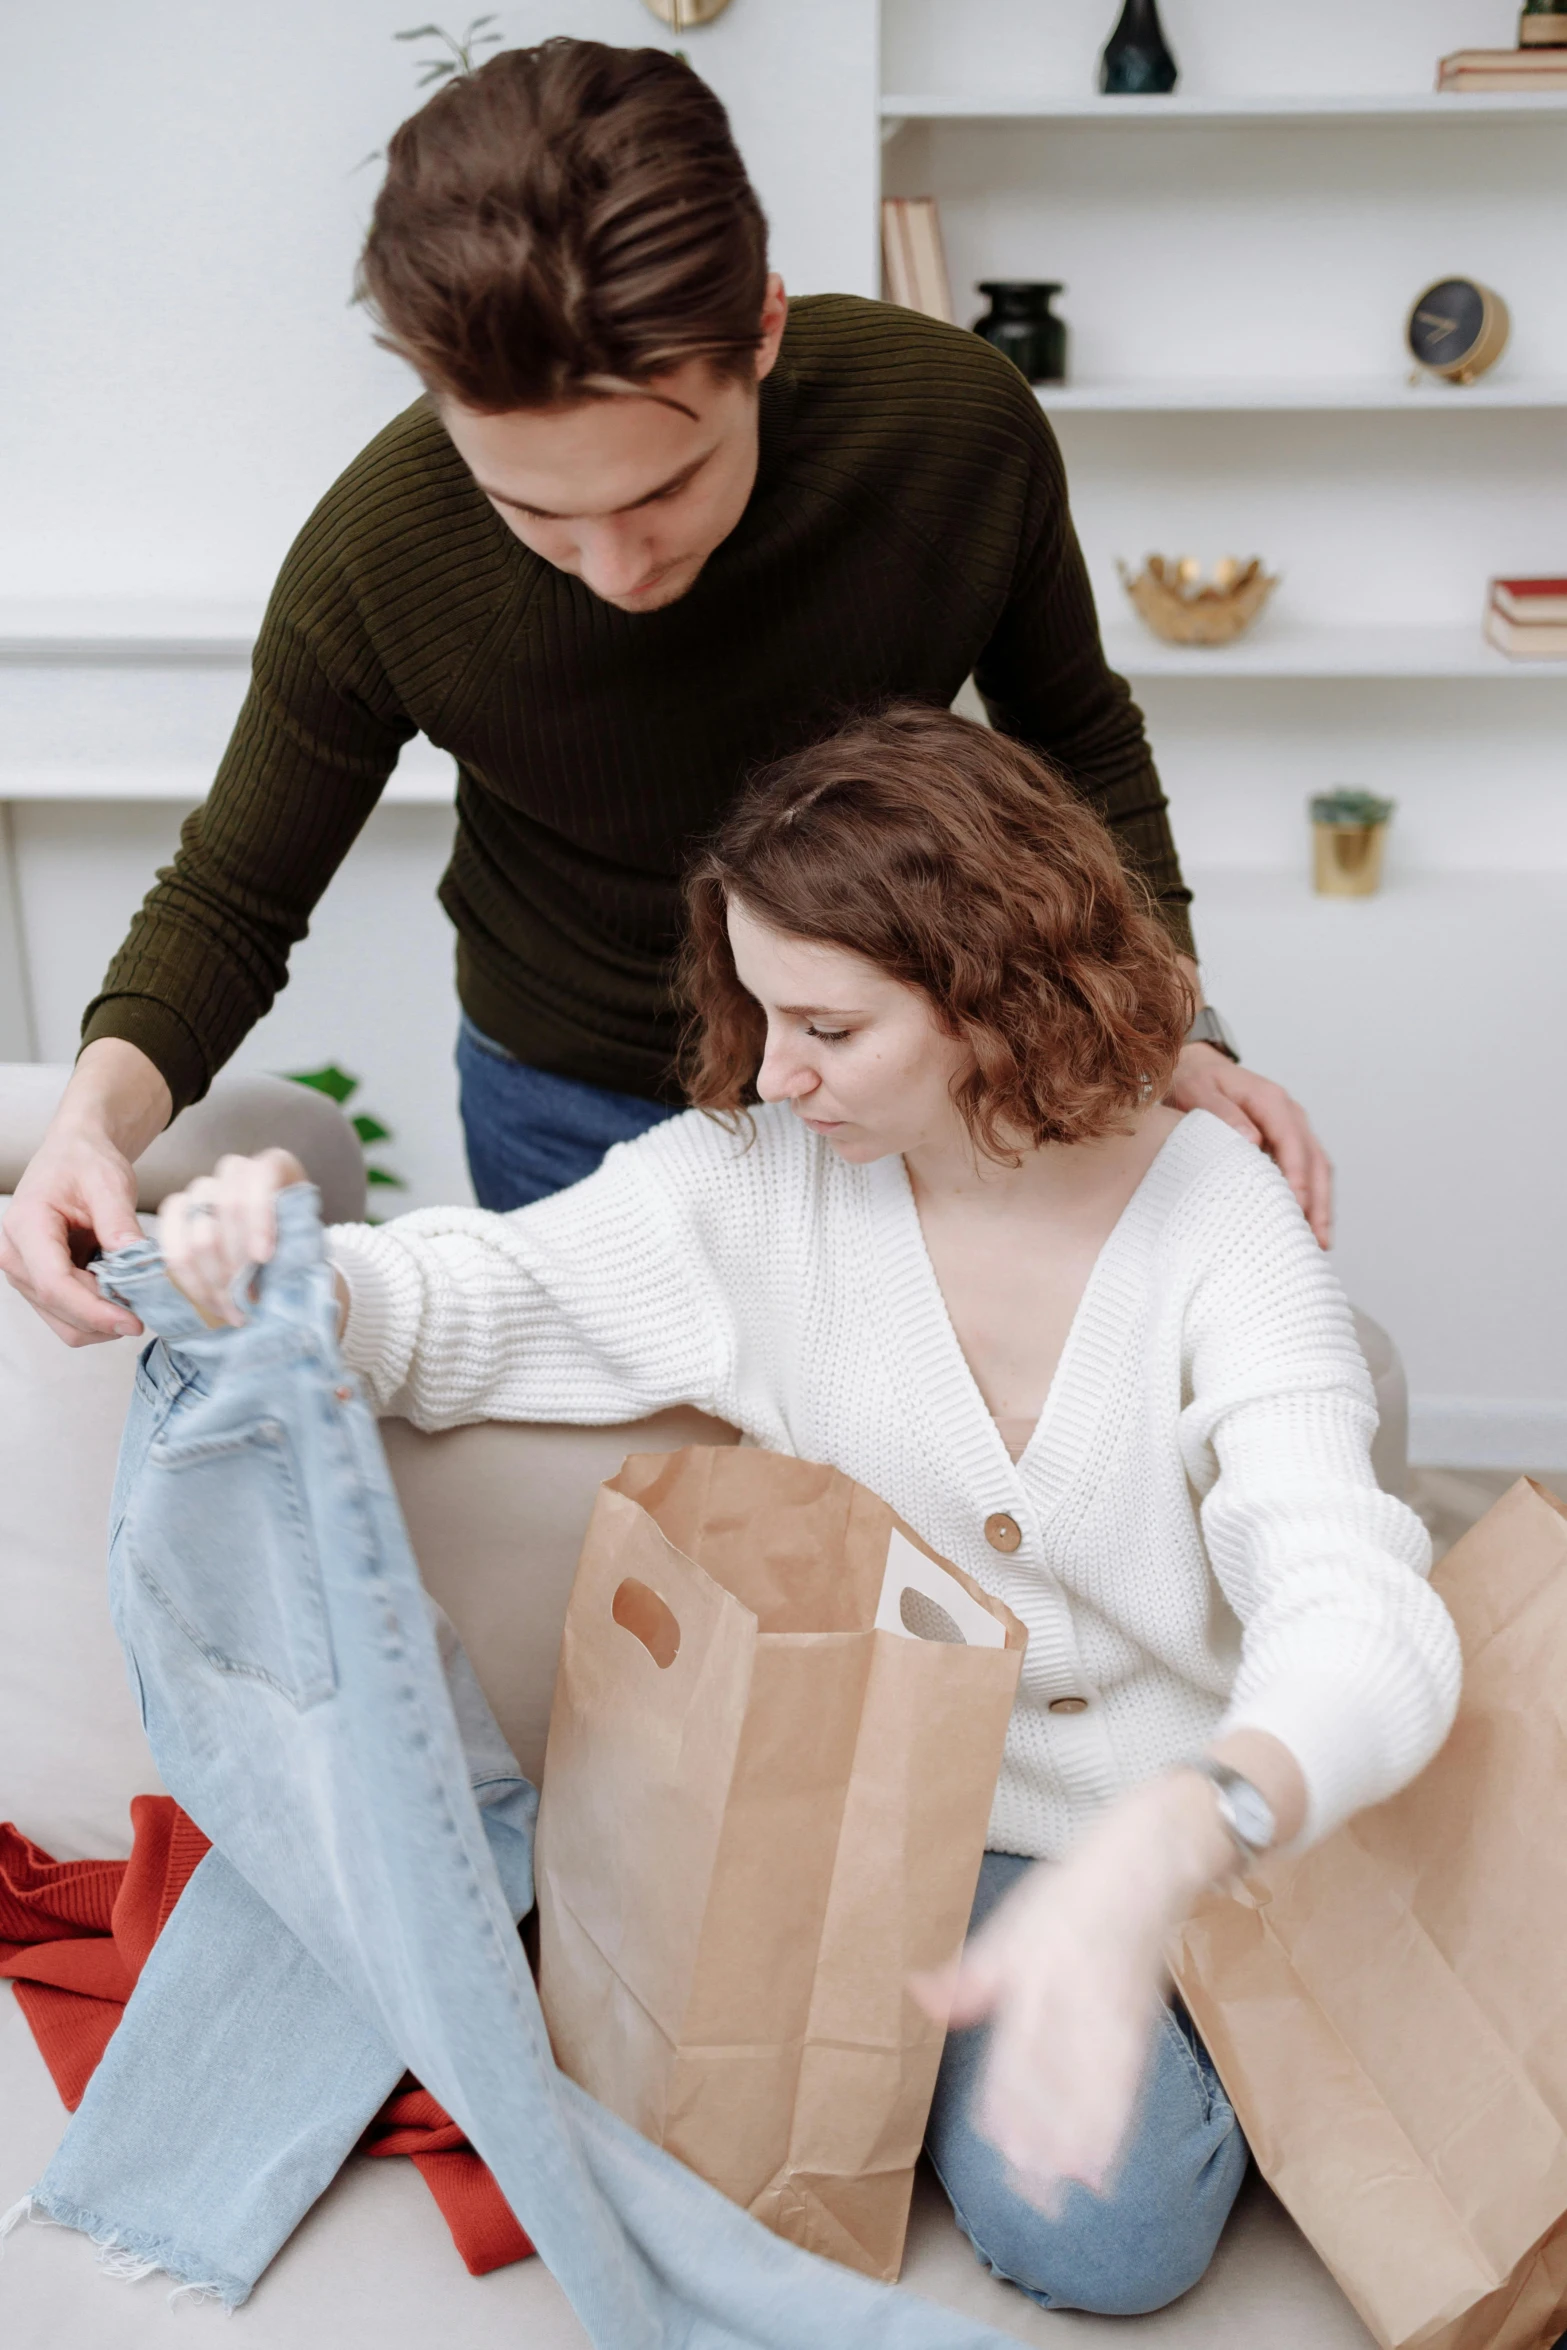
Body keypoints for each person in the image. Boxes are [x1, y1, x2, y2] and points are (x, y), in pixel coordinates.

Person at [151, 705, 1458, 2316]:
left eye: (829, 1026)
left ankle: (1219, 2006)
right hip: (943, 1825)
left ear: (992, 994)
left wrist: (1169, 1846)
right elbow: (465, 1299)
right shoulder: (755, 1182)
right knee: (1064, 2215)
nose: (777, 1069)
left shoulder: (1217, 1216)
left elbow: (1360, 1606)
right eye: (762, 1010)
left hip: (1232, 1816)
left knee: (1194, 2184)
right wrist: (269, 1264)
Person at [0, 37, 1331, 1353]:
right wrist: (88, 1125)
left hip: (911, 1081)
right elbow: (234, 896)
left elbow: (1077, 736)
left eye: (661, 488)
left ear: (761, 325)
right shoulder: (375, 554)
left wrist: (1173, 1032)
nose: (616, 567)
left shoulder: (955, 431)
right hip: (566, 1101)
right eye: (532, 508)